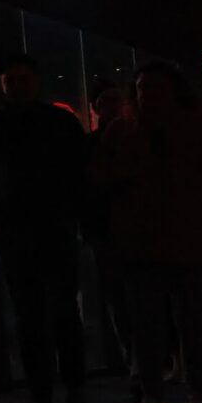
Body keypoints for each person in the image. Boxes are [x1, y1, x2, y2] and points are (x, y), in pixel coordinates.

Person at [92, 64, 202, 403]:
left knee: (162, 327)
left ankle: (161, 401)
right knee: (179, 326)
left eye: (151, 90)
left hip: (158, 243)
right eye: (142, 90)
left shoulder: (126, 132)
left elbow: (104, 179)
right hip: (174, 243)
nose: (146, 97)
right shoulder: (191, 129)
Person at [0, 56, 91, 403]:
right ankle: (73, 394)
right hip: (52, 227)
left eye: (19, 79)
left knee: (32, 316)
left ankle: (42, 398)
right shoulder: (61, 121)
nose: (16, 85)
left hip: (19, 231)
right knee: (61, 313)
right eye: (13, 80)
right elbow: (79, 172)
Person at [82, 83, 137, 377]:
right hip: (128, 230)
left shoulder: (91, 145)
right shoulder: (138, 138)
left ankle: (129, 359)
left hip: (104, 230)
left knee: (116, 296)